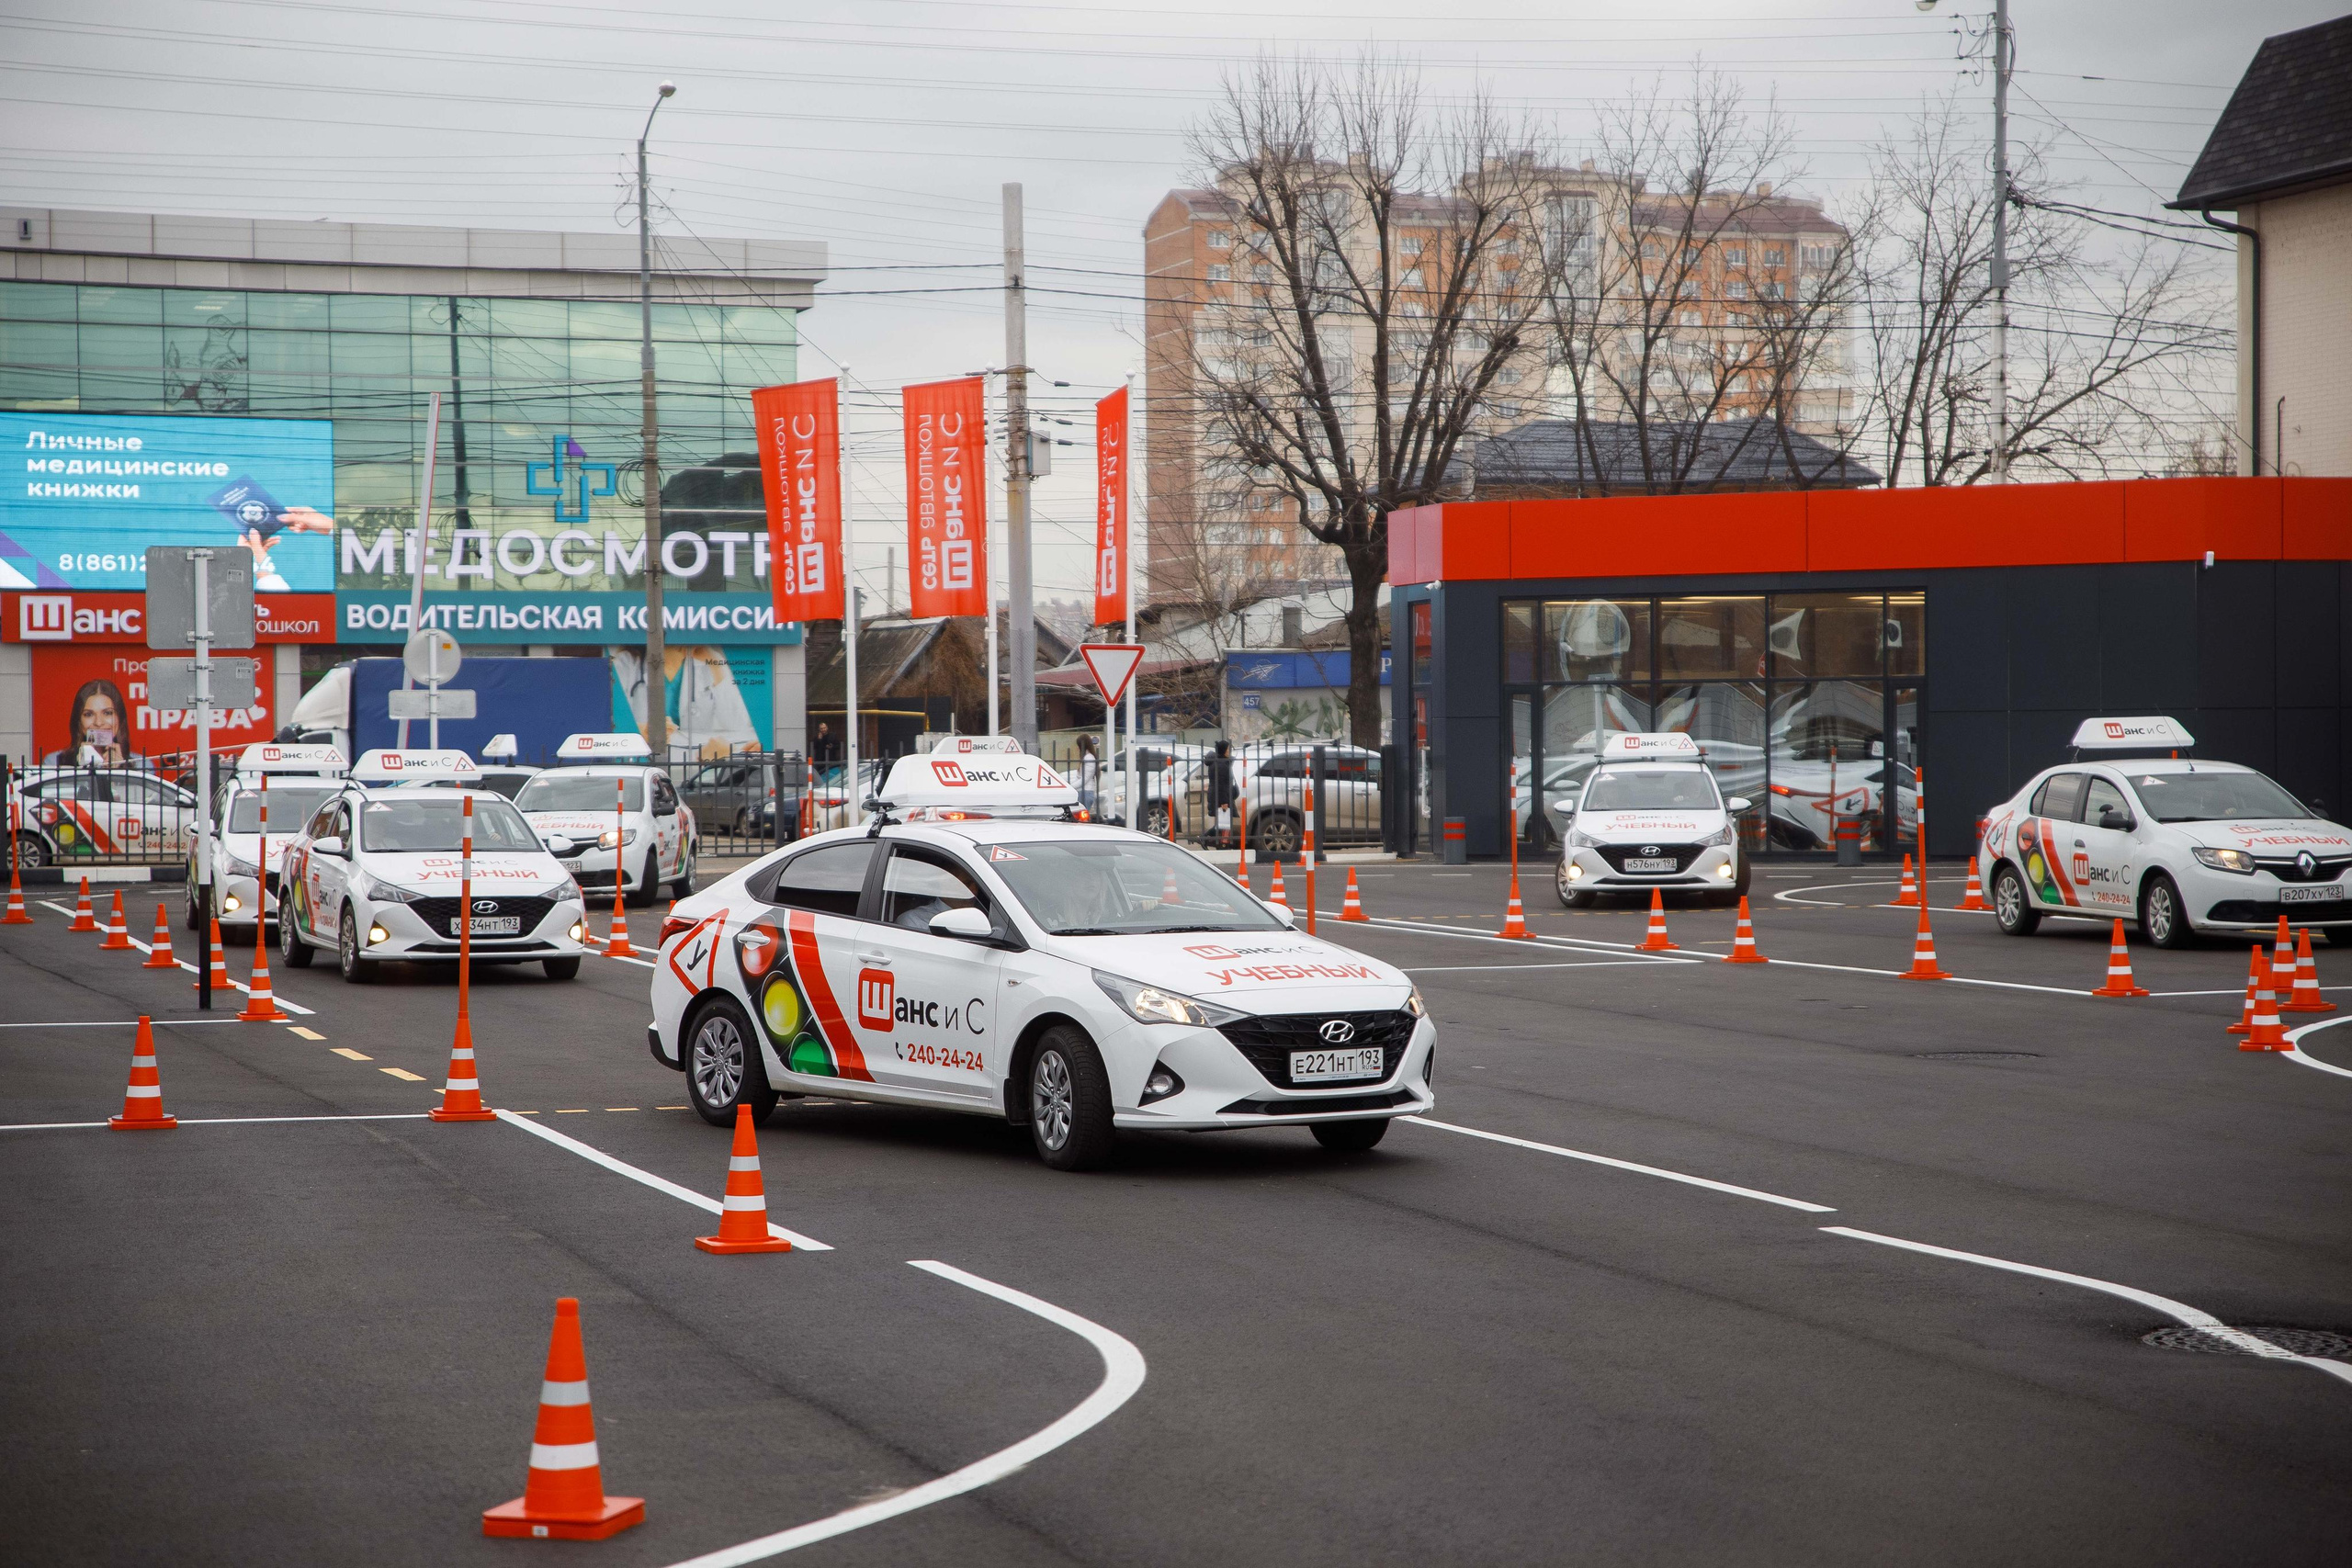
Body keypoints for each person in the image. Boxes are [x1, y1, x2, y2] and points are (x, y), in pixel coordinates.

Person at [49, 680, 135, 767]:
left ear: (120, 718)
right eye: (89, 714)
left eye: (107, 713)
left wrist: (118, 771)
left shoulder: (139, 762)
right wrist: (82, 768)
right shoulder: (53, 762)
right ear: (79, 721)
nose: (98, 723)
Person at [1206, 739, 1238, 849]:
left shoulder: (1219, 763)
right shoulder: (1221, 765)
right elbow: (1221, 785)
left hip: (1220, 795)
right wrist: (1224, 802)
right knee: (1224, 822)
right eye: (1228, 749)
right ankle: (1220, 842)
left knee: (1223, 822)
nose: (1229, 751)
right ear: (1223, 750)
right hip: (1222, 797)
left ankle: (1221, 843)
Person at [1075, 733, 1100, 816]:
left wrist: (1071, 787)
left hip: (1086, 792)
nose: (1077, 748)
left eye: (1078, 745)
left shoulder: (1089, 758)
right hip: (1084, 792)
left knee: (1081, 818)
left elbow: (1084, 779)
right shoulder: (1088, 757)